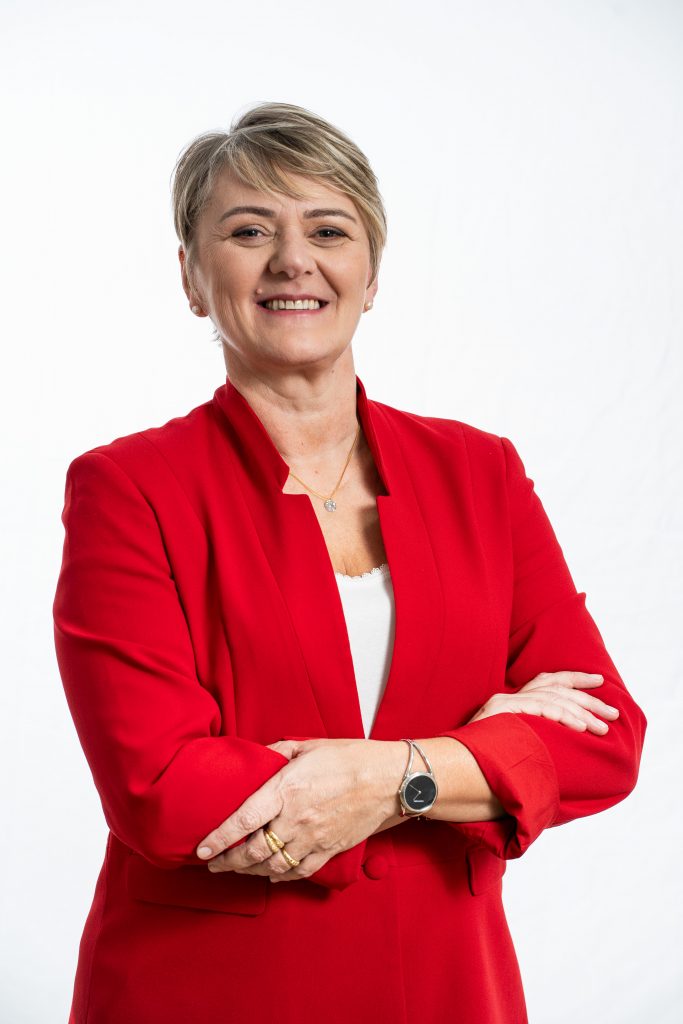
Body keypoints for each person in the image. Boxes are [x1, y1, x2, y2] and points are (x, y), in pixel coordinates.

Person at [53, 101, 647, 1024]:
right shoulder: (129, 488)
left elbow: (602, 740)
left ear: (370, 275)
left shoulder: (480, 472)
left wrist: (391, 777)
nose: (293, 260)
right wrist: (472, 761)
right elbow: (158, 789)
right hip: (208, 991)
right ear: (191, 277)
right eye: (249, 231)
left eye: (328, 230)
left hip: (447, 987)